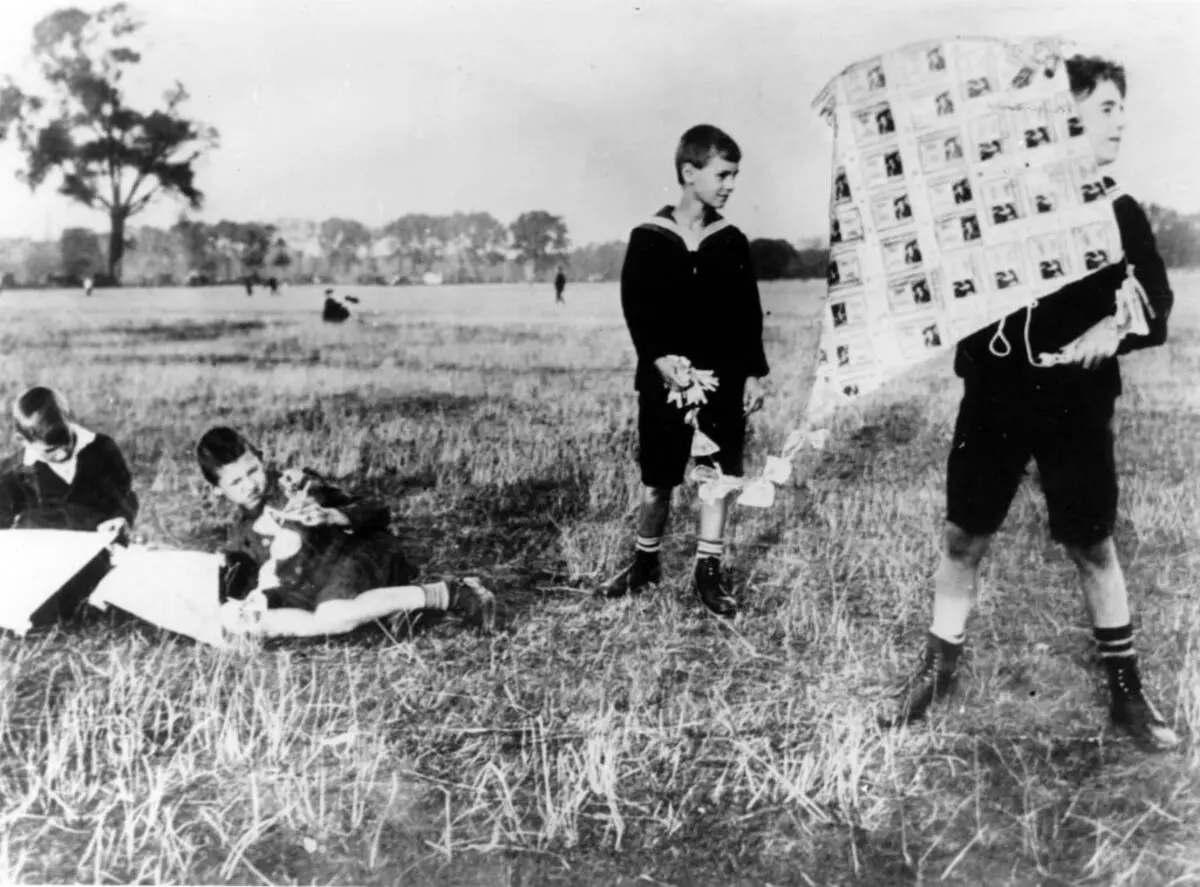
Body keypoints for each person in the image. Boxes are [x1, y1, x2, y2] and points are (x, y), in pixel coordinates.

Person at [882, 56, 1179, 751]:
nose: (1121, 122)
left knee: (1091, 544)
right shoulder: (995, 202)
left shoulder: (1118, 208)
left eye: (1121, 108)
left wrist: (1113, 331)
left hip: (1076, 403)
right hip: (996, 397)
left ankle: (1127, 693)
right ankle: (936, 669)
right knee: (964, 536)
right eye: (1105, 108)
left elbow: (1157, 304)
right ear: (1061, 117)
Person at [605, 124, 769, 618]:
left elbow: (747, 311)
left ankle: (707, 572)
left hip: (722, 379)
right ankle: (644, 563)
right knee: (658, 479)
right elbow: (636, 306)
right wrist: (658, 359)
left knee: (717, 476)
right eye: (723, 174)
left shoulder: (730, 240)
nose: (731, 185)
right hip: (666, 379)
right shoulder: (649, 237)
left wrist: (753, 373)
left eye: (735, 175)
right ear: (688, 172)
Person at [196, 427, 495, 639]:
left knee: (332, 616)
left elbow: (376, 511)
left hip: (358, 552)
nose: (250, 485)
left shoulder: (296, 485)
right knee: (278, 618)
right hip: (322, 585)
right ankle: (394, 612)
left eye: (252, 471)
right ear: (217, 490)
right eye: (236, 482)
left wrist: (332, 515)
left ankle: (451, 593)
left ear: (261, 459)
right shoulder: (241, 533)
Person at [0, 386, 138, 622]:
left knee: (123, 588)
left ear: (71, 421)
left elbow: (124, 494)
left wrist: (121, 517)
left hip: (97, 552)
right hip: (47, 564)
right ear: (23, 440)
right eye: (51, 450)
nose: (63, 454)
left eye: (68, 442)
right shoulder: (14, 472)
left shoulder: (100, 449)